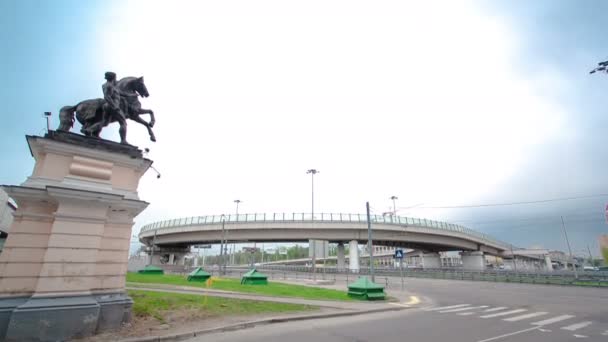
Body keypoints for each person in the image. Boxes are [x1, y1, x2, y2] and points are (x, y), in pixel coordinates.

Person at [101, 71, 129, 144]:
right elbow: (107, 96)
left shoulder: (109, 85)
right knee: (123, 123)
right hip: (112, 106)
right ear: (113, 78)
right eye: (115, 77)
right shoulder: (109, 86)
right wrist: (115, 106)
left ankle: (89, 129)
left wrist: (132, 95)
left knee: (104, 122)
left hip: (107, 106)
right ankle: (123, 140)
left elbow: (122, 93)